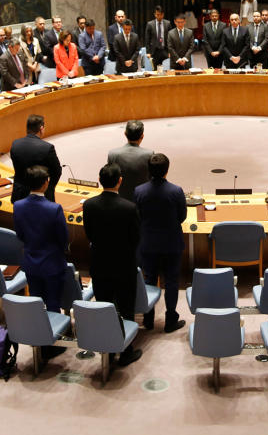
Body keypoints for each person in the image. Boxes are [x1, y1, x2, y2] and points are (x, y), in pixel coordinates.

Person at [83, 163, 143, 367]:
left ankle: (106, 349)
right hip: (124, 265)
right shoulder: (129, 208)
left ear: (100, 181)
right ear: (120, 181)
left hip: (99, 263)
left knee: (104, 305)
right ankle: (126, 351)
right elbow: (135, 238)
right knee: (126, 308)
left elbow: (89, 234)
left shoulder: (89, 205)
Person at [135, 153, 187, 332]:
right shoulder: (176, 191)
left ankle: (148, 319)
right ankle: (170, 320)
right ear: (167, 170)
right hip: (171, 244)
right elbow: (182, 217)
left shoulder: (139, 191)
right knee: (171, 281)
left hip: (148, 243)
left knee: (149, 280)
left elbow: (138, 216)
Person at [13, 166, 68, 314]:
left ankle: (37, 334)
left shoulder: (18, 206)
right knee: (53, 303)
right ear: (45, 183)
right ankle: (53, 334)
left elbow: (20, 234)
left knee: (35, 303)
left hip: (31, 262)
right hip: (53, 264)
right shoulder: (54, 208)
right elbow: (63, 238)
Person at [10, 114, 61, 203]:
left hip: (20, 194)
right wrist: (49, 188)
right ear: (41, 128)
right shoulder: (47, 148)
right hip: (42, 195)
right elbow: (57, 171)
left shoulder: (15, 144)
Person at [107, 120, 153, 202]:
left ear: (125, 134)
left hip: (120, 202)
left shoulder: (112, 154)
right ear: (142, 136)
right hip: (143, 201)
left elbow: (110, 181)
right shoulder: (149, 154)